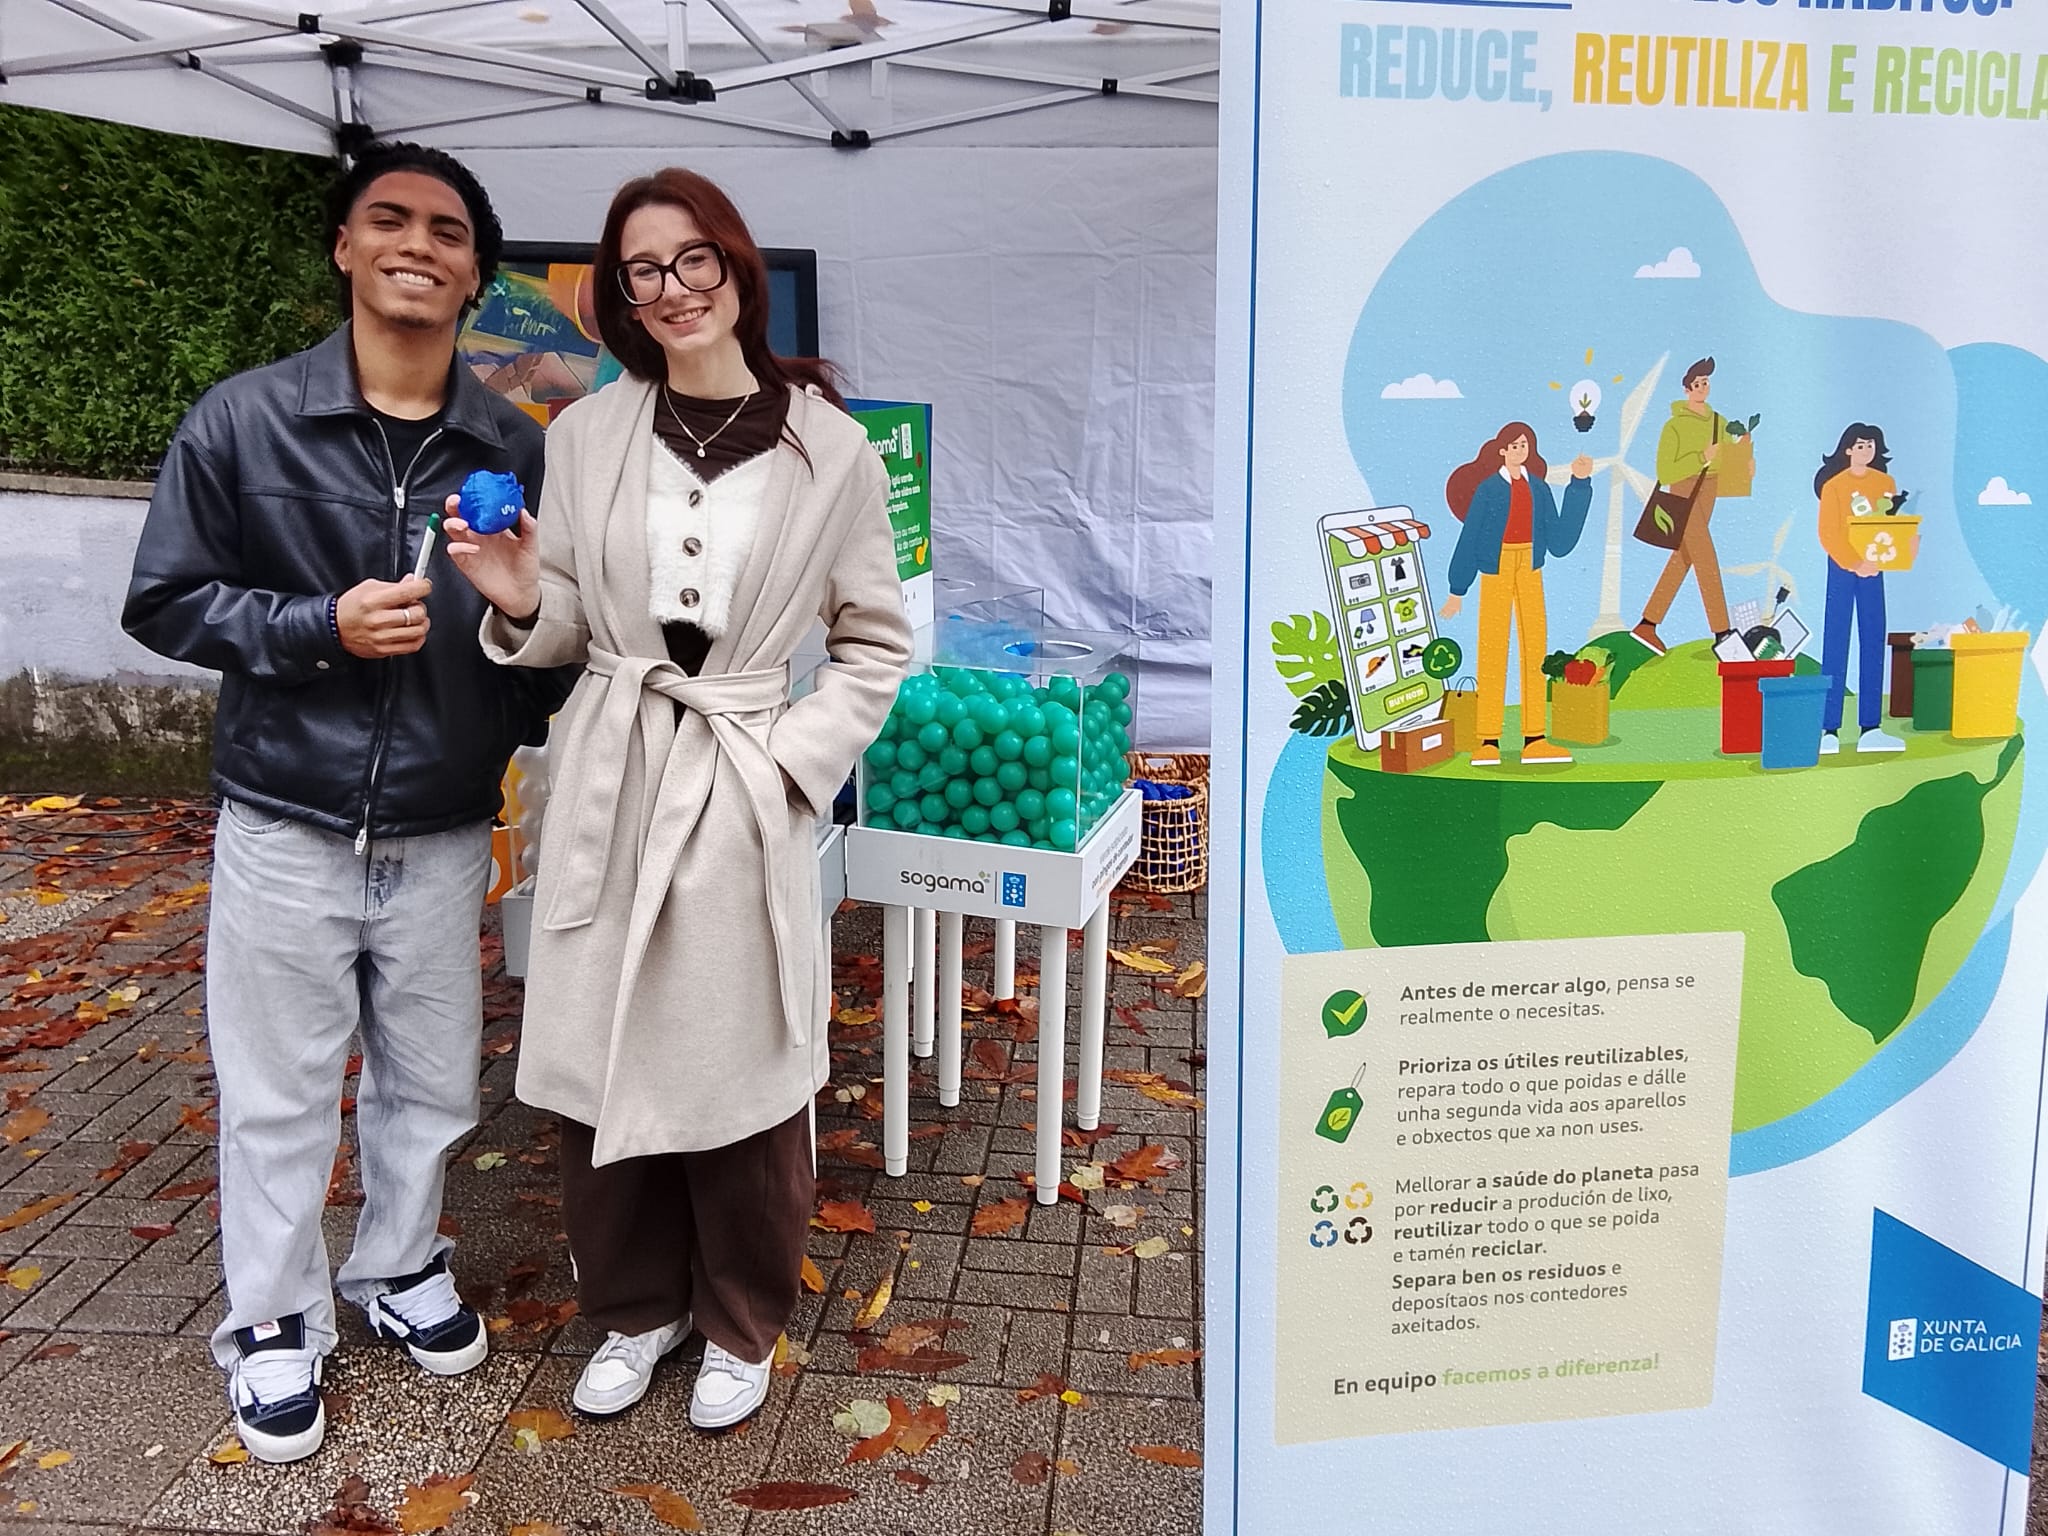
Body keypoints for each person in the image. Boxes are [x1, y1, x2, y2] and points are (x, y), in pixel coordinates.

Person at [122, 143, 575, 1463]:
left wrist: (521, 618)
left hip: (441, 829)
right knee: (277, 1091)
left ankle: (397, 1267)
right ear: (343, 246)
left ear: (478, 273)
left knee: (431, 1088)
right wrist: (317, 626)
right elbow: (166, 598)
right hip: (285, 821)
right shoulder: (244, 421)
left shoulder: (512, 444)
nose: (418, 245)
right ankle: (272, 1319)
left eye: (447, 229)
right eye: (390, 220)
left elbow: (545, 670)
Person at [446, 168, 912, 1429]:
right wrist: (512, 595)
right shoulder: (588, 435)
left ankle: (739, 1321)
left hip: (742, 771)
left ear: (735, 268)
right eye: (643, 269)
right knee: (598, 1049)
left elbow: (875, 643)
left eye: (692, 259)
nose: (671, 289)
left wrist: (788, 762)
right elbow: (579, 624)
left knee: (740, 1059)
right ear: (620, 294)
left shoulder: (833, 448)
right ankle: (633, 1310)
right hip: (611, 762)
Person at [1439, 422, 1595, 766]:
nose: (1520, 450)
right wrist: (1457, 589)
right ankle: (1489, 740)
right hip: (1495, 568)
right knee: (1492, 649)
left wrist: (1579, 485)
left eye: (1525, 444)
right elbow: (1469, 537)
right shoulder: (1488, 491)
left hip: (1530, 566)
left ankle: (1535, 737)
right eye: (1514, 444)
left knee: (1534, 647)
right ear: (1501, 450)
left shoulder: (1539, 489)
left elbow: (1559, 540)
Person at [1632, 356, 1744, 655]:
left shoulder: (1719, 421)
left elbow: (1727, 460)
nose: (1702, 388)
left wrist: (1743, 462)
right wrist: (1700, 457)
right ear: (1686, 389)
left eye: (1705, 383)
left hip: (1711, 490)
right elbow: (1665, 471)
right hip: (1683, 491)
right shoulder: (1674, 426)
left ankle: (1647, 624)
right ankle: (1722, 631)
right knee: (1705, 556)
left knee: (1685, 556)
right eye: (1697, 384)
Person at [1814, 424, 1910, 755]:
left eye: (1871, 445)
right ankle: (1829, 730)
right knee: (1836, 642)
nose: (1866, 450)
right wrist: (1855, 563)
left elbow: (1890, 523)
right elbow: (1828, 532)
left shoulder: (1884, 484)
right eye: (1860, 445)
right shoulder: (1834, 486)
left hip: (1875, 565)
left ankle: (1871, 727)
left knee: (1873, 639)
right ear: (1847, 449)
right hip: (1842, 567)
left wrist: (1886, 553)